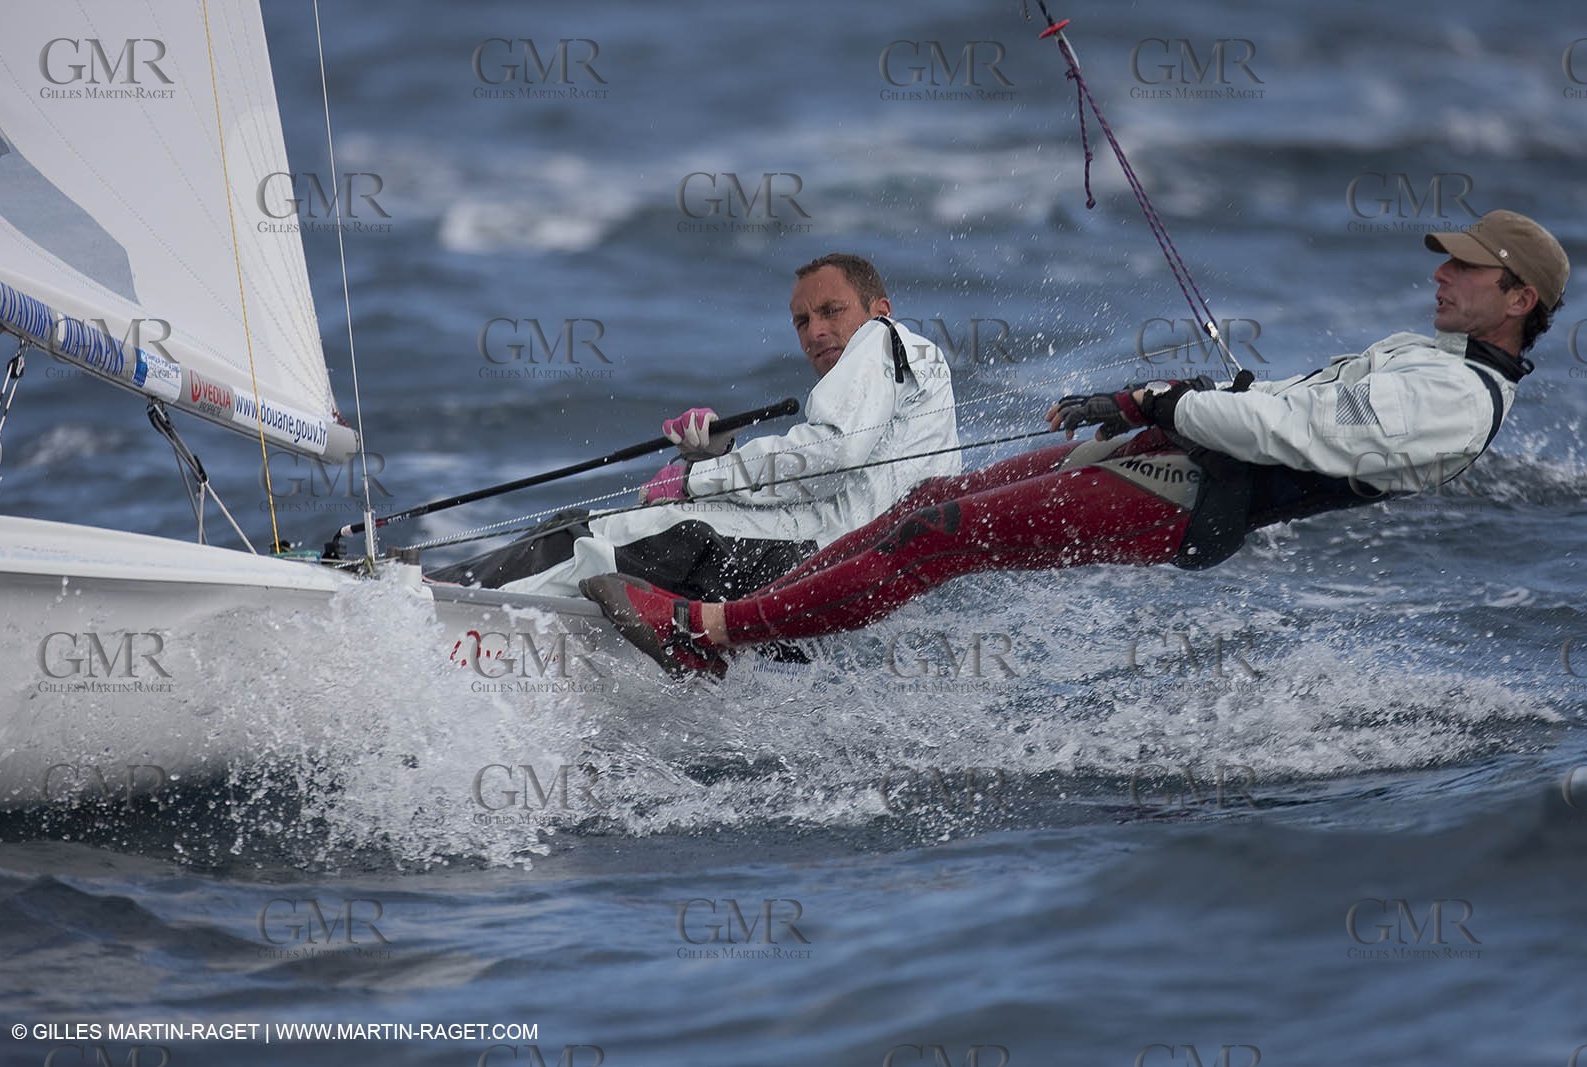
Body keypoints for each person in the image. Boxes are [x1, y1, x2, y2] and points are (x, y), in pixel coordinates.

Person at [581, 210, 1568, 678]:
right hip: (1175, 452)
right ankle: (751, 618)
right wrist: (1144, 402)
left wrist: (1162, 400)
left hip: (1187, 496)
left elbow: (1295, 430)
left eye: (1468, 270)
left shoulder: (1456, 399)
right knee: (926, 507)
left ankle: (701, 632)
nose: (1444, 274)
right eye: (1446, 259)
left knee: (946, 531)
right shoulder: (1429, 356)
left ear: (1517, 300)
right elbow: (1278, 402)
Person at [427, 253, 960, 600]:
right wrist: (710, 457)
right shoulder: (906, 379)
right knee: (610, 531)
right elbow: (828, 475)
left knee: (593, 534)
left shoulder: (883, 339)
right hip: (833, 569)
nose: (816, 331)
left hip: (815, 561)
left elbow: (828, 453)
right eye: (802, 320)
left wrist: (692, 480)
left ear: (880, 309)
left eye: (831, 311)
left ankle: (428, 600)